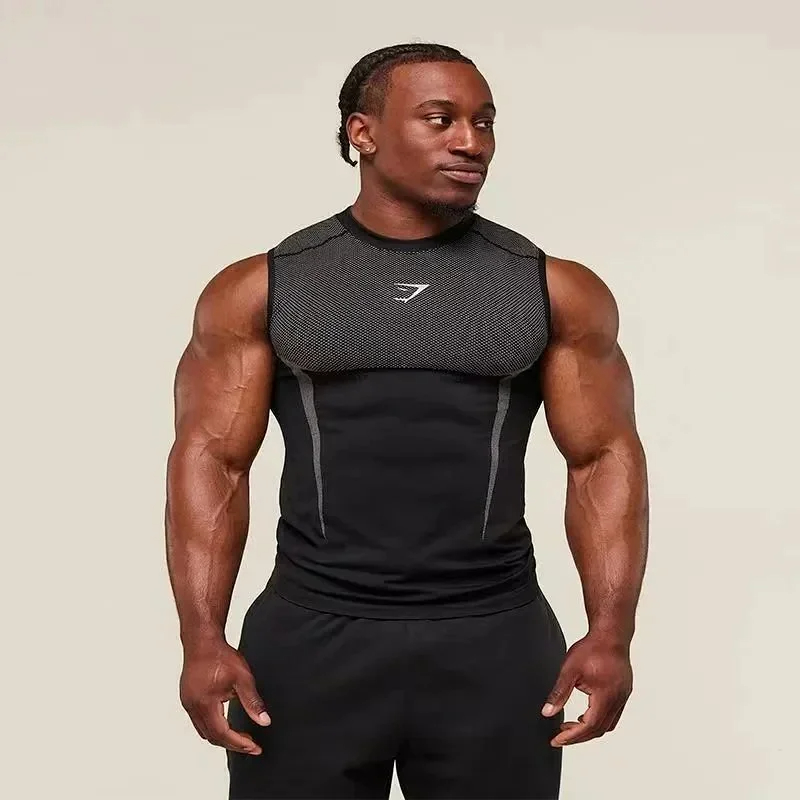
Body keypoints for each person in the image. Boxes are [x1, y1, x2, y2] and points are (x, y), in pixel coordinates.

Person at [165, 42, 649, 800]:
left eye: (484, 122)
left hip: (494, 640)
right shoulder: (265, 287)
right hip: (310, 641)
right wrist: (202, 638)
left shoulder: (550, 288)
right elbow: (212, 461)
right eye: (440, 119)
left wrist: (611, 632)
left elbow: (602, 458)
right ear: (362, 133)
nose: (471, 141)